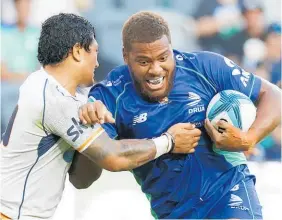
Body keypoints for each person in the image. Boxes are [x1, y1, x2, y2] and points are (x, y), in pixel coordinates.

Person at [79, 11, 281, 219]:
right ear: (125, 56)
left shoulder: (204, 67)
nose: (156, 70)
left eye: (163, 57)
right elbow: (97, 168)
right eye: (143, 62)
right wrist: (168, 142)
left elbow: (273, 95)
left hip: (228, 195)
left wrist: (248, 138)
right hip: (173, 212)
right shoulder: (110, 95)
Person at [0, 13, 201, 220]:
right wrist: (169, 141)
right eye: (95, 51)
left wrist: (97, 122)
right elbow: (113, 157)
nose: (97, 63)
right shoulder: (56, 100)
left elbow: (83, 180)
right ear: (78, 52)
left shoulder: (43, 84)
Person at [1, 0, 40, 133]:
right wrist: (26, 76)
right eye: (20, 5)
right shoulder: (4, 33)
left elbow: (44, 68)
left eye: (27, 5)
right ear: (15, 7)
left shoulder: (37, 33)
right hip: (9, 86)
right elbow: (3, 72)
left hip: (32, 84)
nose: (24, 9)